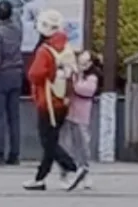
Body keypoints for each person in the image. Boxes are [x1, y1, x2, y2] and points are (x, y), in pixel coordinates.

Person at [24, 9, 87, 192]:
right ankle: (40, 178)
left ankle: (73, 167)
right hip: (63, 100)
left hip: (47, 101)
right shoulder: (66, 47)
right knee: (51, 140)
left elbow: (35, 74)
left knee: (48, 142)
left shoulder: (45, 50)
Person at [0, 0, 24, 166]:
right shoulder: (17, 30)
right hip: (16, 74)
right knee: (14, 117)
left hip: (1, 75)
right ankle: (14, 154)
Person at [61, 50, 99, 190]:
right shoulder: (73, 73)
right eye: (80, 62)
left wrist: (75, 82)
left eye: (86, 62)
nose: (82, 65)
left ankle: (85, 172)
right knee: (67, 145)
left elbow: (86, 90)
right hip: (68, 113)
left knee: (82, 145)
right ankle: (65, 173)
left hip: (82, 115)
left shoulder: (92, 77)